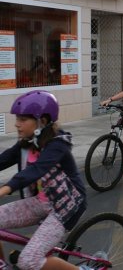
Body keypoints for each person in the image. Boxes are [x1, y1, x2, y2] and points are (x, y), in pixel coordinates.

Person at [0, 90, 88, 270]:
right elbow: (5, 158)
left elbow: (37, 169)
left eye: (23, 120)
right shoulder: (28, 141)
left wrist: (5, 189)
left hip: (66, 207)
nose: (17, 124)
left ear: (43, 121)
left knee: (28, 260)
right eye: (17, 119)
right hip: (41, 202)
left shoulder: (58, 144)